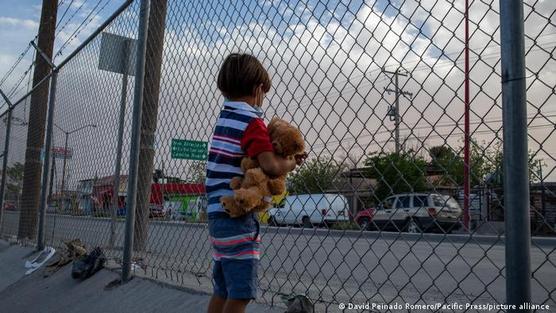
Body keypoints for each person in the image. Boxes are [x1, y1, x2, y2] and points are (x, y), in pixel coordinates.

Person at [206, 53, 303, 313]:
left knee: (223, 289)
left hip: (216, 214)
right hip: (238, 218)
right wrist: (291, 163)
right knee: (240, 294)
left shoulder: (224, 119)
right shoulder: (252, 121)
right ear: (258, 90)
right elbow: (270, 165)